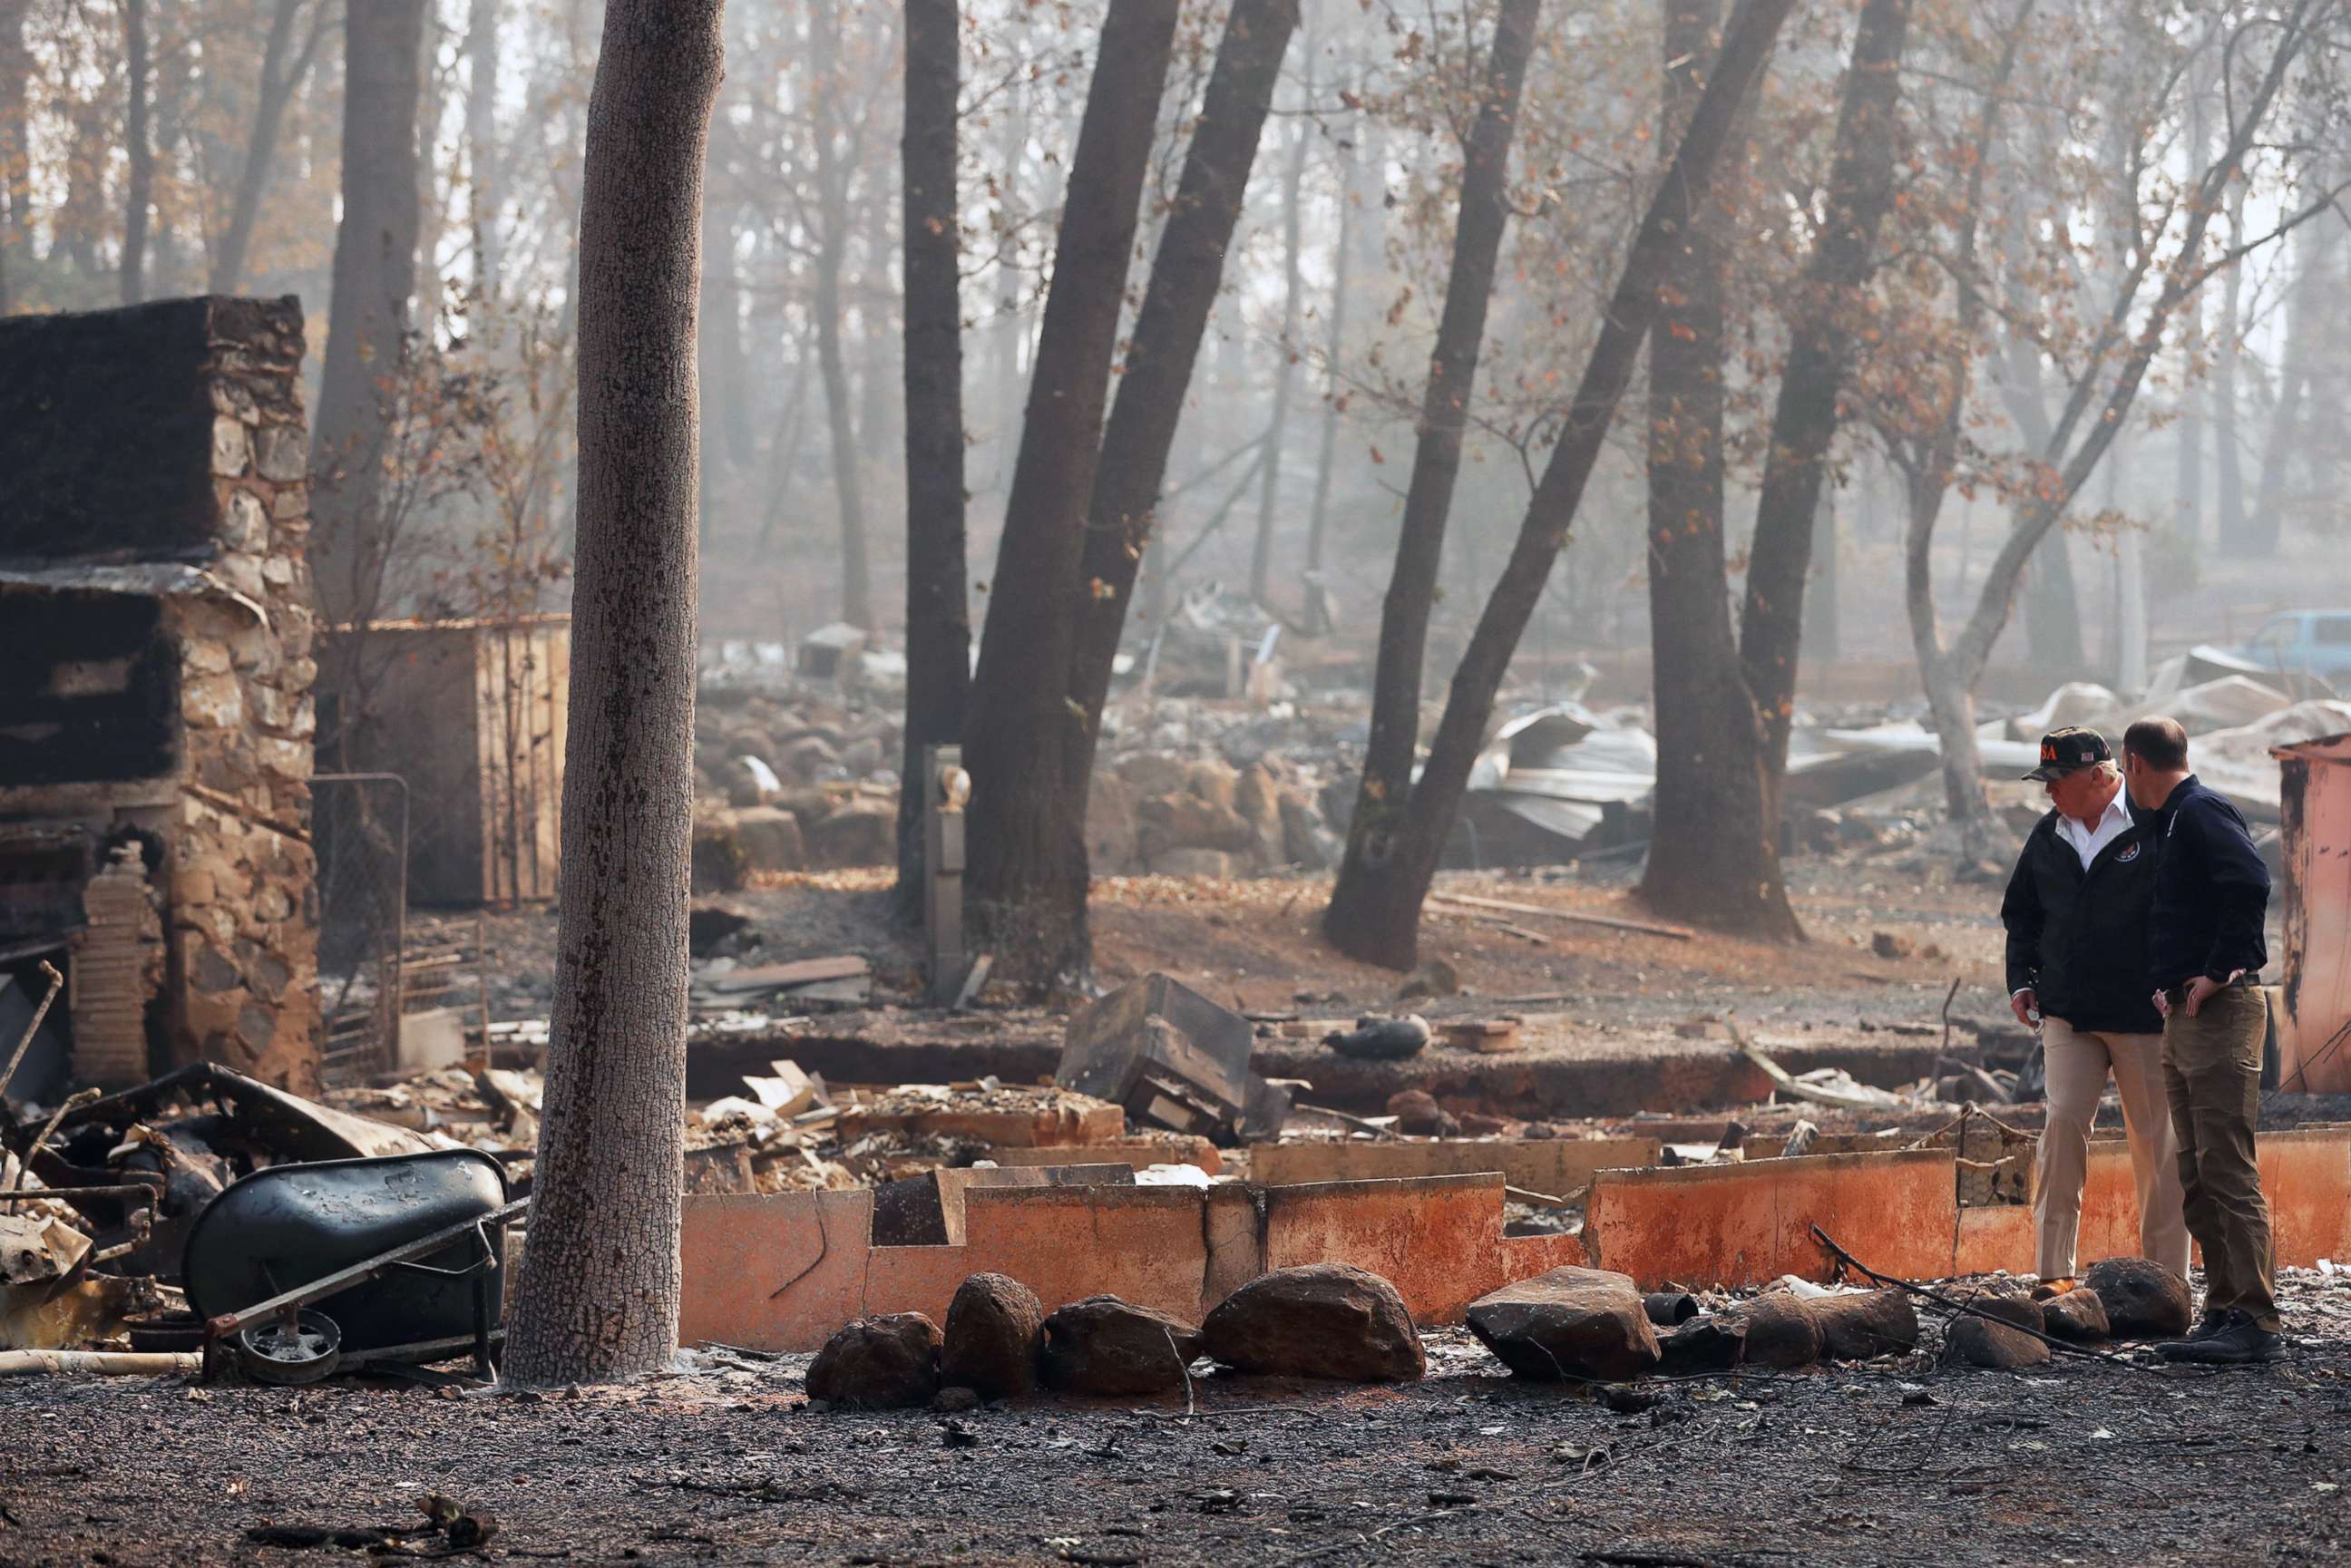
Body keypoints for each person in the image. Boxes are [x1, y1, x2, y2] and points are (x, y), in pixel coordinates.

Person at [2001, 726, 2189, 1282]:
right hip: (2067, 1014)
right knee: (2060, 1130)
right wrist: (2021, 981)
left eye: (2057, 782)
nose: (2049, 793)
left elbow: (2183, 911)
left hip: (2143, 1018)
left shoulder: (2153, 825)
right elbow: (2022, 917)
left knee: (2158, 1148)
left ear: (2098, 774)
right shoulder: (2047, 835)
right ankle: (2051, 1277)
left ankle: (2166, 1284)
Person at [2122, 716, 2280, 1364]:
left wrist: (2218, 971)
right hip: (2185, 1017)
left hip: (2221, 1013)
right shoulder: (2173, 821)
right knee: (2195, 1170)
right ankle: (2222, 1306)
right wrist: (2168, 984)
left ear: (2133, 762)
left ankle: (2256, 1318)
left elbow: (2251, 883)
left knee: (2227, 1166)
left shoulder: (2202, 809)